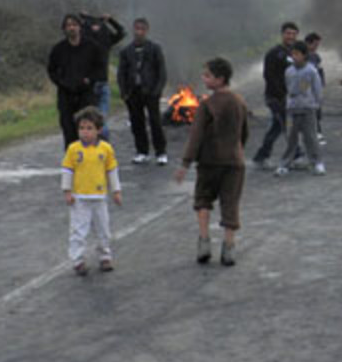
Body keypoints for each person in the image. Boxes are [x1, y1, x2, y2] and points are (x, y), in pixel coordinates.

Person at [176, 57, 249, 267]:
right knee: (230, 204)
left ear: (220, 78)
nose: (204, 78)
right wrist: (237, 150)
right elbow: (244, 133)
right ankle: (229, 249)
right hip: (234, 163)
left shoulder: (206, 105)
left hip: (209, 162)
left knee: (203, 201)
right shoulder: (239, 102)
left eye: (207, 75)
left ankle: (204, 242)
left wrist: (185, 163)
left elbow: (196, 136)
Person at [61, 106, 121, 276]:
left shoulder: (105, 149)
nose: (85, 132)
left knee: (103, 228)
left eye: (89, 129)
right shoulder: (73, 149)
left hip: (99, 197)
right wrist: (67, 191)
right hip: (80, 197)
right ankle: (78, 260)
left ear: (98, 130)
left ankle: (105, 256)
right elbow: (67, 170)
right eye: (81, 128)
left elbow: (112, 170)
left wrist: (116, 190)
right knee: (78, 230)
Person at [47, 14, 107, 148]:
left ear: (80, 27)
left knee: (88, 130)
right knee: (69, 131)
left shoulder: (92, 47)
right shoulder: (58, 49)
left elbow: (100, 68)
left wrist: (89, 80)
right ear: (64, 29)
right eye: (68, 25)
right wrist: (61, 82)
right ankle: (72, 163)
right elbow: (51, 70)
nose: (72, 28)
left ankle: (91, 160)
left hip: (86, 95)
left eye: (74, 25)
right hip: (66, 95)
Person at [117, 17, 169, 165]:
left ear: (147, 30)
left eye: (142, 29)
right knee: (136, 122)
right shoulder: (126, 52)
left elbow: (162, 71)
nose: (139, 32)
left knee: (155, 121)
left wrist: (157, 90)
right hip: (133, 92)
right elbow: (121, 73)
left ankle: (161, 152)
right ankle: (142, 151)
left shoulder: (154, 49)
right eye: (136, 28)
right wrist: (124, 92)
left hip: (151, 91)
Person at [251, 22, 298, 168]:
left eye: (293, 33)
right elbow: (269, 76)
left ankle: (261, 156)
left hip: (289, 97)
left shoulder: (295, 53)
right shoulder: (274, 53)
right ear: (282, 34)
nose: (290, 36)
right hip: (275, 97)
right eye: (288, 33)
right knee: (287, 126)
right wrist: (280, 95)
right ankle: (297, 156)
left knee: (277, 127)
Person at [278, 40, 325, 176]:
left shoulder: (311, 71)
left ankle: (317, 163)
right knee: (291, 137)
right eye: (292, 54)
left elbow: (317, 90)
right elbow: (288, 87)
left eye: (297, 54)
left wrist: (316, 104)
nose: (294, 57)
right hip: (292, 109)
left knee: (310, 137)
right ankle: (285, 164)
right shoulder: (289, 71)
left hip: (308, 108)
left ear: (304, 55)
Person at [78, 13, 126, 135]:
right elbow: (121, 32)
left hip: (99, 83)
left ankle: (100, 147)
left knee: (97, 120)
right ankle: (97, 147)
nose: (95, 27)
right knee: (96, 120)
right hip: (92, 85)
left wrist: (87, 19)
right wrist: (109, 20)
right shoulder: (91, 40)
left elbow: (121, 32)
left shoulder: (101, 39)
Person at [304, 32, 327, 143]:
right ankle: (316, 134)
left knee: (315, 112)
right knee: (312, 112)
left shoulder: (314, 55)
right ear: (309, 43)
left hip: (314, 89)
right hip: (309, 90)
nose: (317, 47)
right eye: (315, 44)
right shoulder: (307, 56)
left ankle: (316, 133)